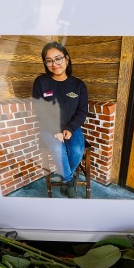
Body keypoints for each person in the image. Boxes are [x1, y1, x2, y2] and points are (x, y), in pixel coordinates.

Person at [32, 42, 89, 197]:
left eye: (58, 58)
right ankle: (69, 180)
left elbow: (82, 111)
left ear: (67, 59)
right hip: (48, 126)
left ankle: (66, 178)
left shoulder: (78, 85)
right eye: (49, 60)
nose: (54, 64)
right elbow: (41, 110)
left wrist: (70, 129)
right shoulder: (41, 82)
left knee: (76, 150)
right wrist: (54, 129)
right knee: (58, 149)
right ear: (45, 63)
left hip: (72, 126)